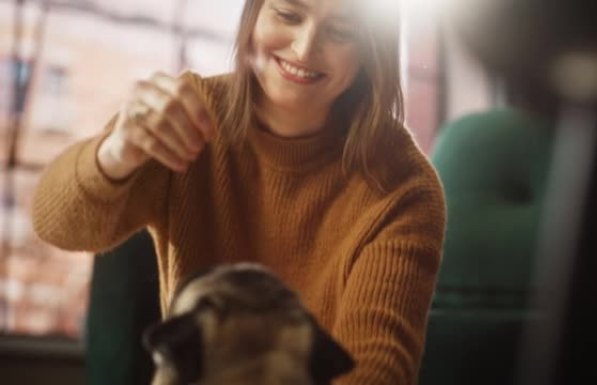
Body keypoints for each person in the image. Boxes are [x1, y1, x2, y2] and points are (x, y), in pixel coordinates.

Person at [31, 0, 446, 383]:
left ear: (371, 50)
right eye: (287, 14)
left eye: (341, 32)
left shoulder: (403, 187)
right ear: (255, 13)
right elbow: (56, 224)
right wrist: (115, 153)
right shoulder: (188, 114)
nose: (304, 50)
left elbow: (374, 372)